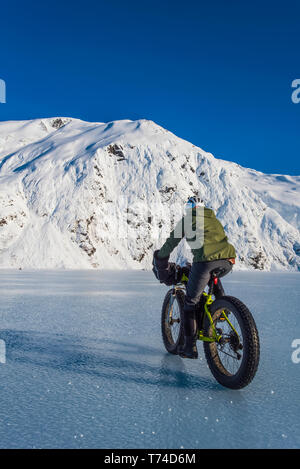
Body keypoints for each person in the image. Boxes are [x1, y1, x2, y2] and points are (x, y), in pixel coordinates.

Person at [153, 196, 236, 359]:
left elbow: (171, 242)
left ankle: (190, 347)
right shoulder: (213, 219)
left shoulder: (188, 219)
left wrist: (160, 258)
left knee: (190, 302)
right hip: (228, 261)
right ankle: (222, 307)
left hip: (205, 261)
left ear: (190, 208)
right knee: (212, 278)